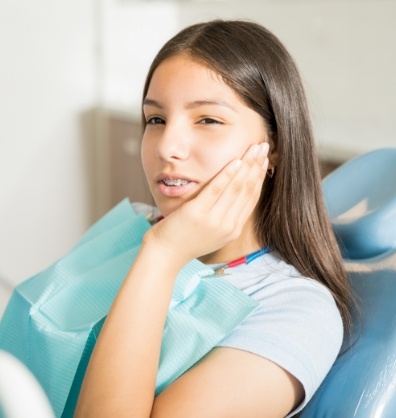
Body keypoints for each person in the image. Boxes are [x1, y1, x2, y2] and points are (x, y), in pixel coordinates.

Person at [74, 19, 355, 418]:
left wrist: (162, 256)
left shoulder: (296, 310)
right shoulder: (130, 226)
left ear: (272, 148)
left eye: (207, 120)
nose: (168, 146)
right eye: (156, 119)